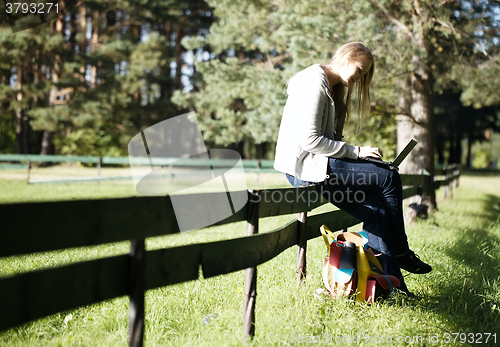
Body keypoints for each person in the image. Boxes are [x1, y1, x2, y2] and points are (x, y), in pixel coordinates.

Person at [273, 42, 431, 295]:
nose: (360, 77)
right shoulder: (314, 84)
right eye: (360, 69)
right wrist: (356, 152)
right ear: (346, 58)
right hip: (305, 168)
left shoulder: (330, 88)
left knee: (376, 211)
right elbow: (310, 142)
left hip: (317, 166)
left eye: (364, 74)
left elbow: (327, 143)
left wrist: (359, 158)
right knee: (388, 177)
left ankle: (394, 289)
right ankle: (401, 251)